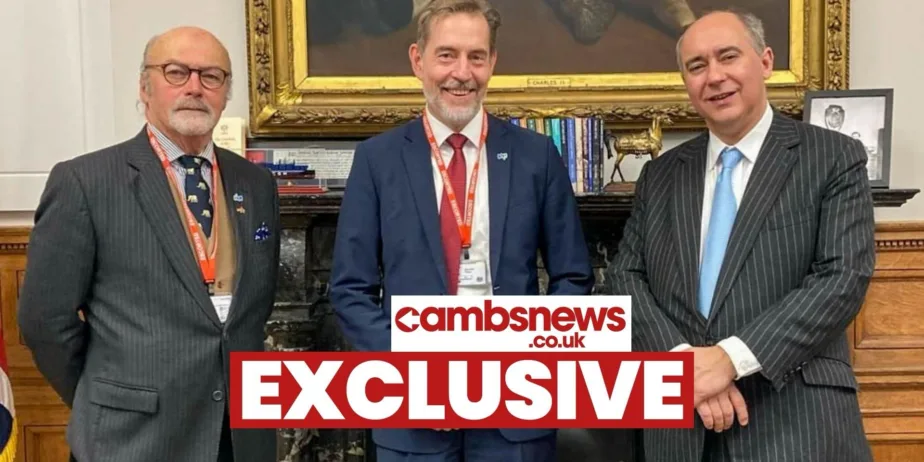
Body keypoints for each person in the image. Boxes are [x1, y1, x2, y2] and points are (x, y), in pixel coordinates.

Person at [328, 0, 595, 461]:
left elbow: (574, 277)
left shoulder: (537, 157)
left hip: (515, 410)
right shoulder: (377, 160)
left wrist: (523, 364)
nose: (461, 73)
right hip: (411, 415)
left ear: (492, 63)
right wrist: (416, 373)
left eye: (476, 56)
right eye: (446, 55)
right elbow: (350, 288)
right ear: (418, 60)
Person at [605, 9, 874, 462]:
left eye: (728, 57)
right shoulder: (661, 175)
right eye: (696, 66)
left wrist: (729, 360)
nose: (714, 76)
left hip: (795, 419)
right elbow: (625, 277)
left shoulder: (832, 157)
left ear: (765, 61)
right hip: (680, 428)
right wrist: (684, 366)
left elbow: (842, 277)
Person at [17, 26, 280, 462]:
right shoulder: (86, 181)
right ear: (144, 85)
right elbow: (45, 321)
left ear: (226, 91)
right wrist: (103, 393)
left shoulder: (256, 183)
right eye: (176, 72)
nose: (195, 87)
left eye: (211, 76)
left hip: (239, 436)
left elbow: (254, 311)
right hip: (132, 436)